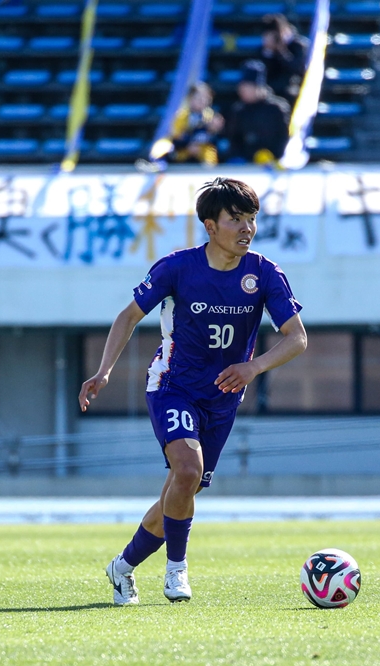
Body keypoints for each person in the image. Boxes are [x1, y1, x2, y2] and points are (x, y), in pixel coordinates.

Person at [80, 178, 307, 605]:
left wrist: (254, 367)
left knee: (182, 491)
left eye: (251, 219)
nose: (247, 228)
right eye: (235, 219)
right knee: (186, 470)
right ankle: (176, 571)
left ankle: (122, 567)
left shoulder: (264, 273)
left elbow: (297, 338)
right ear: (210, 225)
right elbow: (127, 317)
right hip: (173, 386)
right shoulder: (177, 268)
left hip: (223, 397)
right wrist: (104, 371)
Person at [225, 60, 291, 164]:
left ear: (259, 87)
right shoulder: (238, 110)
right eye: (241, 86)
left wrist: (273, 156)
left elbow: (284, 138)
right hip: (246, 163)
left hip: (273, 162)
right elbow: (235, 142)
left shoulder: (277, 109)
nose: (242, 90)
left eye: (247, 86)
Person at [168, 82, 225, 166]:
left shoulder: (211, 116)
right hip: (183, 158)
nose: (203, 101)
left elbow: (215, 140)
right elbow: (176, 139)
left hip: (206, 160)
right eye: (199, 98)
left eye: (206, 98)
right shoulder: (181, 116)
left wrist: (215, 129)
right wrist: (189, 145)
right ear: (190, 98)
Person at [259, 13, 308, 103]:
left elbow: (296, 68)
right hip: (272, 89)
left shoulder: (297, 45)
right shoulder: (264, 49)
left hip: (293, 88)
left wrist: (281, 50)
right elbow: (263, 71)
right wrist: (269, 51)